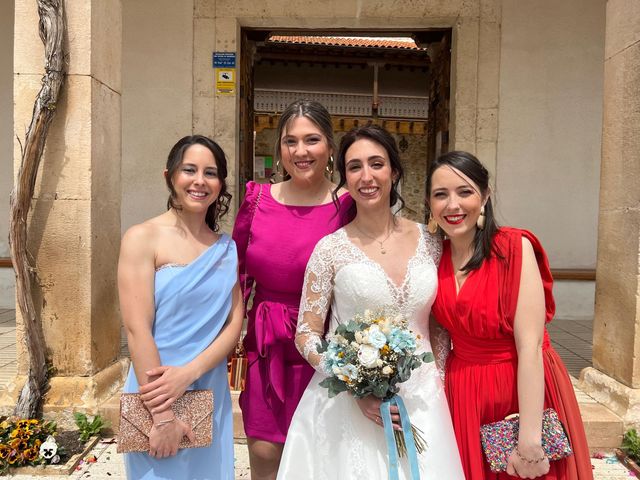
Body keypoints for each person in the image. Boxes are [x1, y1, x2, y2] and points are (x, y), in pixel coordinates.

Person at [277, 125, 465, 479]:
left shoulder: (432, 241)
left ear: (394, 171)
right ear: (344, 178)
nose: (367, 177)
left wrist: (435, 378)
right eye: (354, 167)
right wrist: (353, 384)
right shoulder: (330, 250)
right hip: (348, 404)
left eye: (376, 164)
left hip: (424, 398)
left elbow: (438, 323)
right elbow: (306, 333)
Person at [427, 151, 593, 479]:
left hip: (519, 387)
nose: (452, 205)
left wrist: (530, 438)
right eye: (440, 195)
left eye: (465, 192)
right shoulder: (435, 257)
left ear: (485, 197)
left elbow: (529, 346)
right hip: (464, 393)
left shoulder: (514, 248)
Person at [232, 100, 353, 480]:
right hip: (266, 345)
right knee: (265, 452)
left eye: (312, 140)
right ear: (279, 148)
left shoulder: (348, 205)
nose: (301, 151)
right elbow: (236, 272)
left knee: (318, 455)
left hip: (323, 346)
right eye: (290, 141)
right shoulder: (257, 200)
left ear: (330, 147)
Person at [118, 135, 243, 480]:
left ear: (220, 184)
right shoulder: (142, 238)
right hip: (154, 389)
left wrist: (189, 373)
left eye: (211, 172)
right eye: (190, 170)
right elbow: (136, 328)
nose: (200, 181)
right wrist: (163, 416)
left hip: (208, 386)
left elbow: (234, 322)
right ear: (170, 176)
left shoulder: (226, 247)